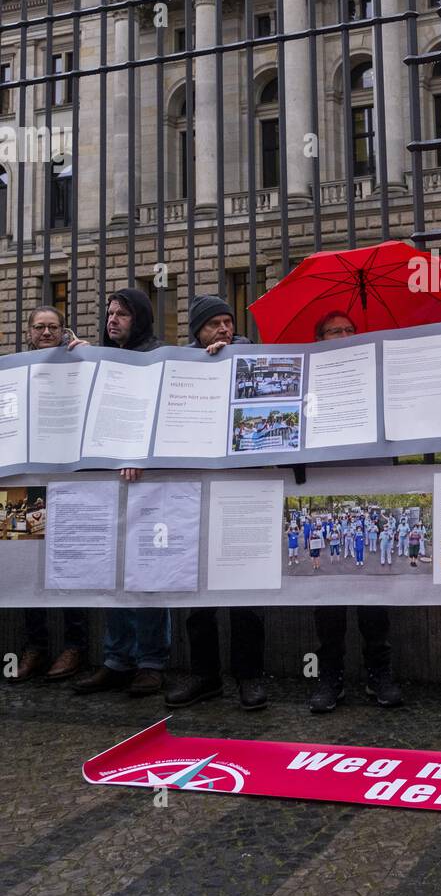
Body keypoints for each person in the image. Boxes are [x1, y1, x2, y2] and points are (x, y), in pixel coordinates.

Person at [165, 295, 268, 711]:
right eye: (215, 324)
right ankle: (205, 676)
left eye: (228, 322)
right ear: (197, 331)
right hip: (195, 490)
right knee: (198, 595)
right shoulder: (180, 366)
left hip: (241, 488)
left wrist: (232, 356)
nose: (224, 329)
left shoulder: (244, 353)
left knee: (245, 590)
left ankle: (250, 677)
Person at [74, 290, 171, 698]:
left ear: (142, 318)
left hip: (146, 481)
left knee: (146, 571)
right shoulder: (104, 358)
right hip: (108, 479)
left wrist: (138, 453)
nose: (113, 319)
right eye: (110, 313)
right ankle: (117, 660)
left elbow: (161, 413)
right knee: (114, 569)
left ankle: (150, 662)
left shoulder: (158, 358)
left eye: (123, 314)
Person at [309, 310, 402, 712]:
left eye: (350, 330)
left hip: (373, 485)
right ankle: (331, 677)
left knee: (374, 594)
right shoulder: (309, 382)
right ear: (321, 339)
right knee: (327, 597)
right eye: (335, 331)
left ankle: (378, 674)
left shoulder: (378, 378)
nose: (344, 336)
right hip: (325, 483)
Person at [10, 307, 89, 684]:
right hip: (25, 482)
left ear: (63, 330)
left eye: (52, 327)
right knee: (28, 569)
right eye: (39, 327)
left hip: (68, 480)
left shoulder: (80, 360)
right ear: (28, 332)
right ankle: (35, 647)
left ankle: (76, 646)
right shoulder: (14, 369)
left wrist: (90, 357)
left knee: (70, 564)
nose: (45, 332)